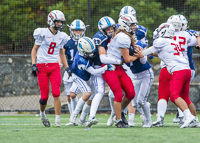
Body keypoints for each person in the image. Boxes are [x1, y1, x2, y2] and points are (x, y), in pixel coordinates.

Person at [138, 22, 196, 128]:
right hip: (187, 70)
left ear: (164, 31)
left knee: (173, 95)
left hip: (178, 71)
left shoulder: (160, 41)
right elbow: (159, 53)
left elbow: (144, 53)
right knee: (185, 97)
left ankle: (189, 117)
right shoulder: (173, 42)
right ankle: (195, 120)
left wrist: (137, 50)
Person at [31, 10, 69, 127]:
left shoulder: (62, 36)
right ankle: (42, 114)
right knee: (44, 96)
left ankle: (57, 121)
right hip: (42, 66)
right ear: (51, 21)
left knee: (57, 93)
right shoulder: (41, 33)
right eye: (58, 22)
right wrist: (33, 64)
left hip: (54, 66)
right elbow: (34, 49)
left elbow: (62, 53)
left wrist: (66, 67)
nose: (60, 24)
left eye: (61, 22)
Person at [102, 14, 140, 128]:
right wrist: (139, 56)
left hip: (118, 67)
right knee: (118, 94)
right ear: (126, 25)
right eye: (132, 24)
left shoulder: (124, 35)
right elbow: (127, 59)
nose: (134, 27)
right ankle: (118, 120)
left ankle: (121, 112)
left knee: (131, 93)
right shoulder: (123, 37)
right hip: (110, 67)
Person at [68, 37, 115, 126]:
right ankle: (73, 116)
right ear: (83, 51)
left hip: (86, 76)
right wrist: (105, 68)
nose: (93, 53)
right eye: (90, 52)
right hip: (78, 76)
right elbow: (94, 72)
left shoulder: (85, 52)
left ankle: (82, 118)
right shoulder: (81, 60)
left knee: (92, 96)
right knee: (87, 93)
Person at [84, 16, 117, 127]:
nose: (111, 30)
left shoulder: (118, 34)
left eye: (112, 28)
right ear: (102, 30)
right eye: (108, 29)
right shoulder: (98, 38)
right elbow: (101, 57)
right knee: (100, 92)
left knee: (114, 93)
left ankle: (115, 114)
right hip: (99, 66)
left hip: (112, 65)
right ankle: (91, 117)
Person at [62, 19, 86, 125]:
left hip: (81, 71)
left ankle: (75, 117)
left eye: (80, 30)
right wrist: (64, 66)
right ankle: (73, 119)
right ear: (72, 31)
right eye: (76, 30)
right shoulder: (67, 41)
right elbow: (62, 54)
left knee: (77, 94)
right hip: (69, 70)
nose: (78, 32)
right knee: (69, 96)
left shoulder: (86, 41)